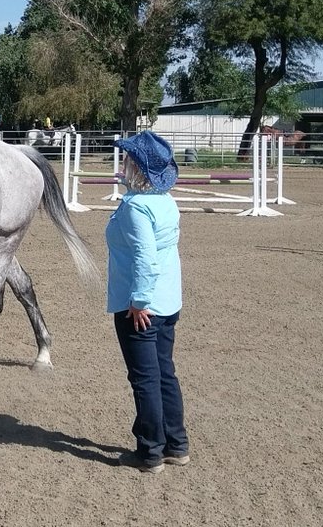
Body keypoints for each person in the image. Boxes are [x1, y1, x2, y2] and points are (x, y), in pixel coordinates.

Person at [106, 130, 190, 474]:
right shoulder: (167, 202)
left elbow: (145, 257)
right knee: (164, 373)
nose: (123, 165)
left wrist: (139, 301)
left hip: (141, 306)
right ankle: (176, 444)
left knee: (145, 378)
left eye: (127, 161)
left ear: (136, 168)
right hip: (168, 301)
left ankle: (150, 450)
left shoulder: (135, 208)